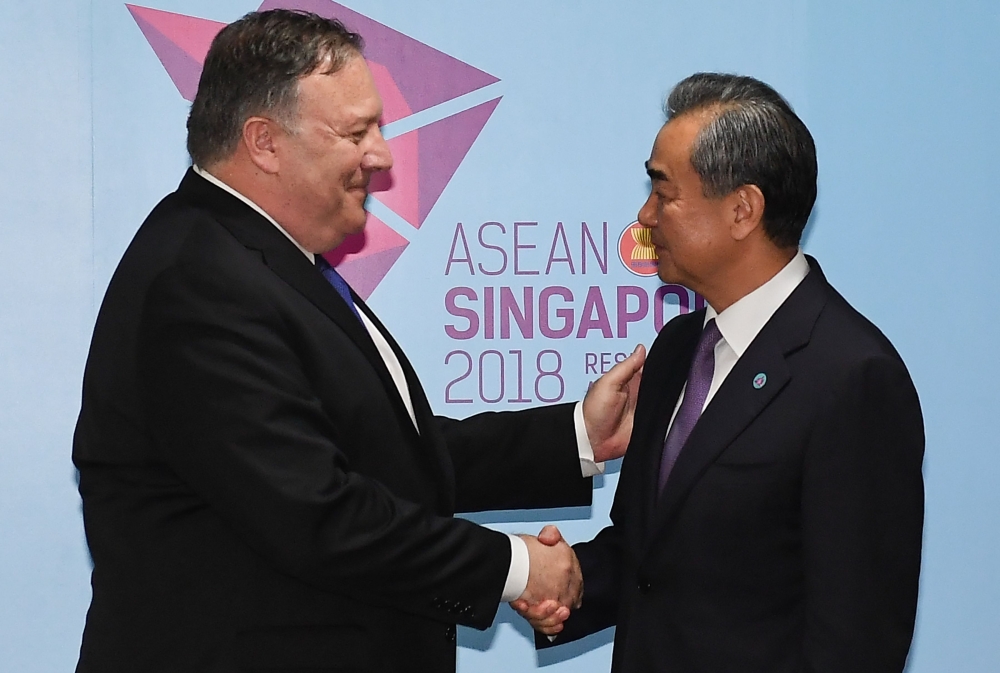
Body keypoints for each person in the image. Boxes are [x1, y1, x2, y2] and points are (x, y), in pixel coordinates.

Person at [72, 10, 644, 673]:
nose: (382, 154)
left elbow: (382, 453)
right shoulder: (201, 281)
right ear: (264, 142)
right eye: (356, 131)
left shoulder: (261, 261)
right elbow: (318, 513)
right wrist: (516, 568)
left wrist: (575, 435)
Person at [514, 73, 924, 672]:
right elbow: (647, 554)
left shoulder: (851, 376)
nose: (644, 216)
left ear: (742, 210)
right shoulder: (680, 346)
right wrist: (562, 585)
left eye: (663, 193)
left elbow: (857, 640)